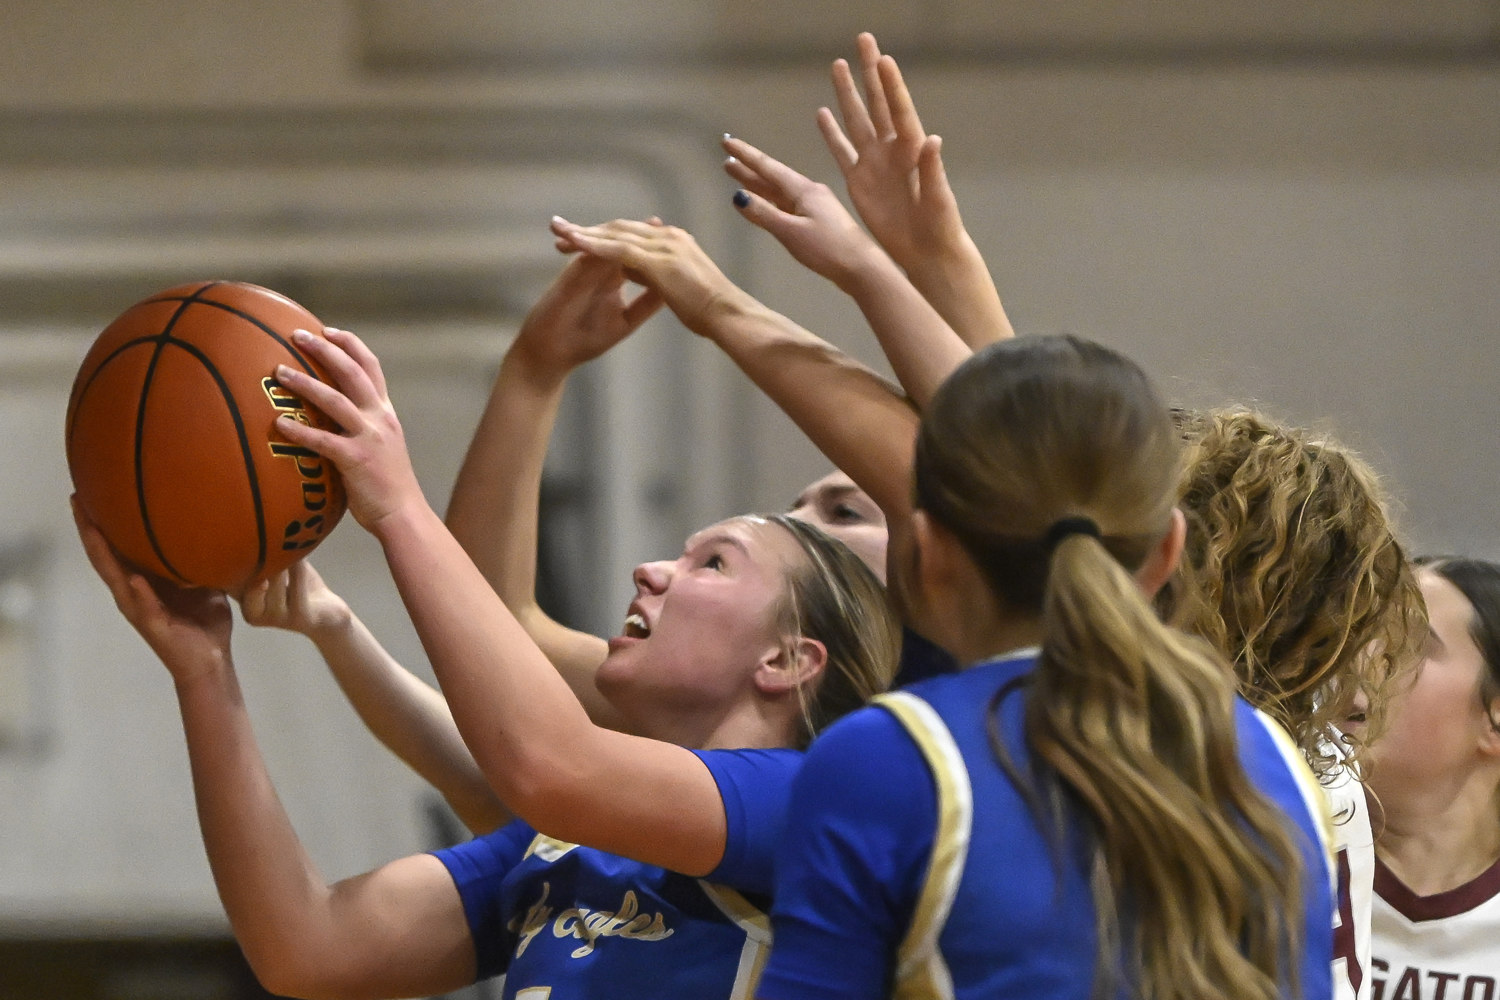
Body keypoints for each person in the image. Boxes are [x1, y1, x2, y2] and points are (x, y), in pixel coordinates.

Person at [75, 290, 899, 999]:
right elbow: (307, 947)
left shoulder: (817, 800)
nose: (651, 570)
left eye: (712, 563)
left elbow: (547, 760)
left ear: (789, 660)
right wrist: (204, 672)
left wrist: (398, 505)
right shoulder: (571, 841)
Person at [1366, 556, 1500, 993]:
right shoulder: (1282, 852)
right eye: (1363, 638)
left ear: (1495, 718)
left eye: (1407, 645)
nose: (1363, 663)